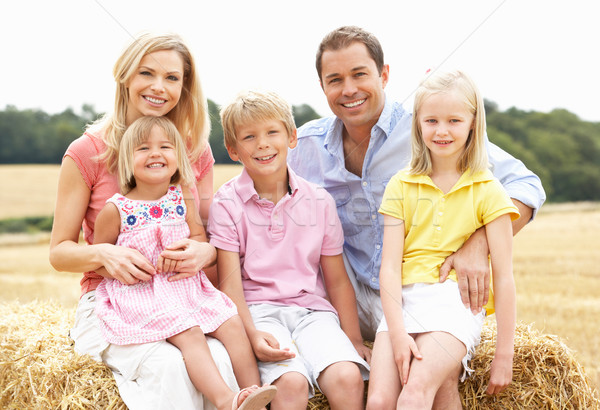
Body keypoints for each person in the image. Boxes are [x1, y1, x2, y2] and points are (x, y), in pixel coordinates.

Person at [287, 25, 544, 406]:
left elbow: (525, 185)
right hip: (349, 297)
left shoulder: (429, 124)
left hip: (426, 288)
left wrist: (478, 243)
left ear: (384, 75)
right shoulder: (303, 146)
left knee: (433, 383)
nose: (349, 89)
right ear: (322, 86)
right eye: (335, 80)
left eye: (360, 74)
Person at [49, 32, 238, 410]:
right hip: (116, 300)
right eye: (146, 73)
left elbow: (209, 236)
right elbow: (59, 252)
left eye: (172, 78)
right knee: (168, 366)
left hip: (183, 295)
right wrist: (105, 254)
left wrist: (204, 253)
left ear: (184, 88)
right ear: (125, 77)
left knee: (219, 357)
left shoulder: (193, 150)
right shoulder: (86, 152)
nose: (158, 87)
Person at [92, 116, 276, 410]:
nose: (155, 153)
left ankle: (252, 395)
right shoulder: (117, 210)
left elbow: (199, 235)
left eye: (165, 147)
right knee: (189, 331)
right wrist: (123, 269)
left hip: (187, 286)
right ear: (127, 161)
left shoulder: (183, 197)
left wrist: (193, 248)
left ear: (178, 158)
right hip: (144, 294)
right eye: (143, 149)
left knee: (230, 321)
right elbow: (98, 259)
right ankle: (226, 400)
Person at [209, 90, 371, 410]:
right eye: (249, 137)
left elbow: (337, 280)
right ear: (233, 149)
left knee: (347, 377)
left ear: (292, 137)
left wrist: (353, 339)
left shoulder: (319, 201)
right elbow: (230, 284)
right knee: (291, 384)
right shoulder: (226, 203)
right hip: (259, 313)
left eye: (272, 132)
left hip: (313, 312)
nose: (263, 143)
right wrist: (250, 334)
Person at [366, 70, 518, 409]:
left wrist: (503, 355)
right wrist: (398, 331)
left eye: (454, 120)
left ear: (473, 123)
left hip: (455, 302)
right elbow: (389, 269)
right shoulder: (401, 184)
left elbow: (505, 276)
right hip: (402, 302)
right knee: (378, 401)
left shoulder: (488, 189)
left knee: (416, 391)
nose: (442, 130)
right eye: (431, 120)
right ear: (418, 124)